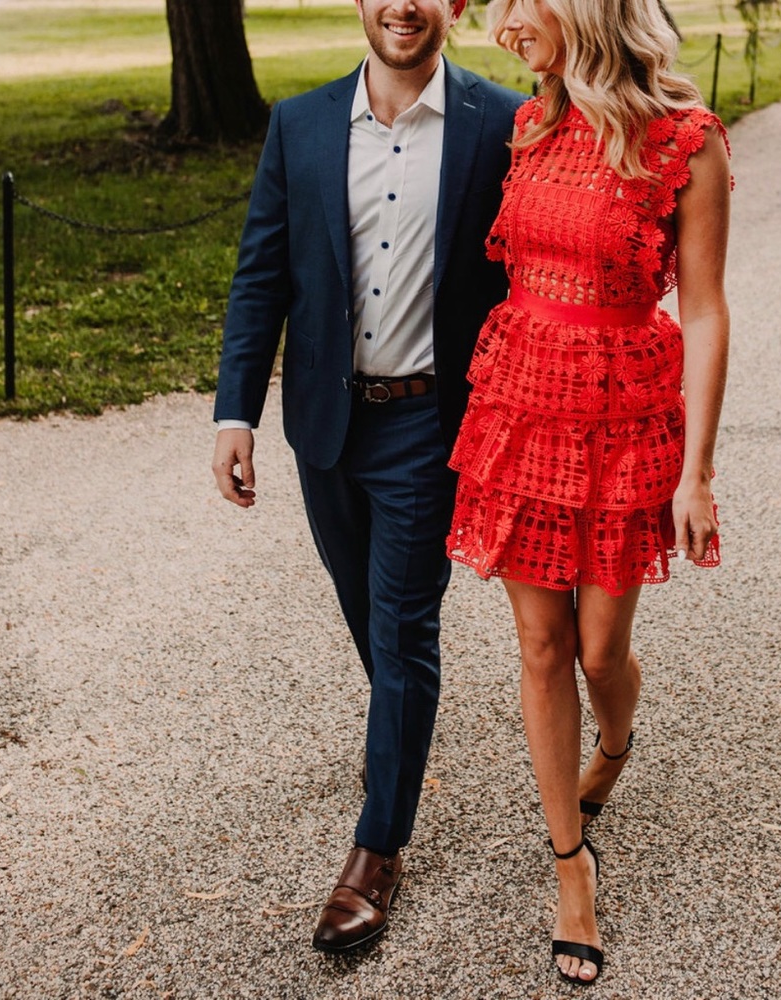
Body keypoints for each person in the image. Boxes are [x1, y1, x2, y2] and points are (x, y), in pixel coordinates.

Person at [211, 0, 524, 954]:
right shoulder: (299, 123)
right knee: (373, 626)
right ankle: (400, 727)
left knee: (401, 628)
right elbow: (263, 275)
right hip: (325, 426)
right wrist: (236, 412)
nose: (402, 5)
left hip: (430, 426)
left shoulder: (503, 123)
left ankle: (376, 846)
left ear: (454, 7)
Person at [446, 0, 731, 986]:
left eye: (517, 5)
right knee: (541, 643)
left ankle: (615, 738)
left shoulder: (686, 144)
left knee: (601, 647)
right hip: (522, 403)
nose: (501, 26)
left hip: (624, 415)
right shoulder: (530, 125)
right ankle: (572, 868)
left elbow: (701, 306)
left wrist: (698, 470)